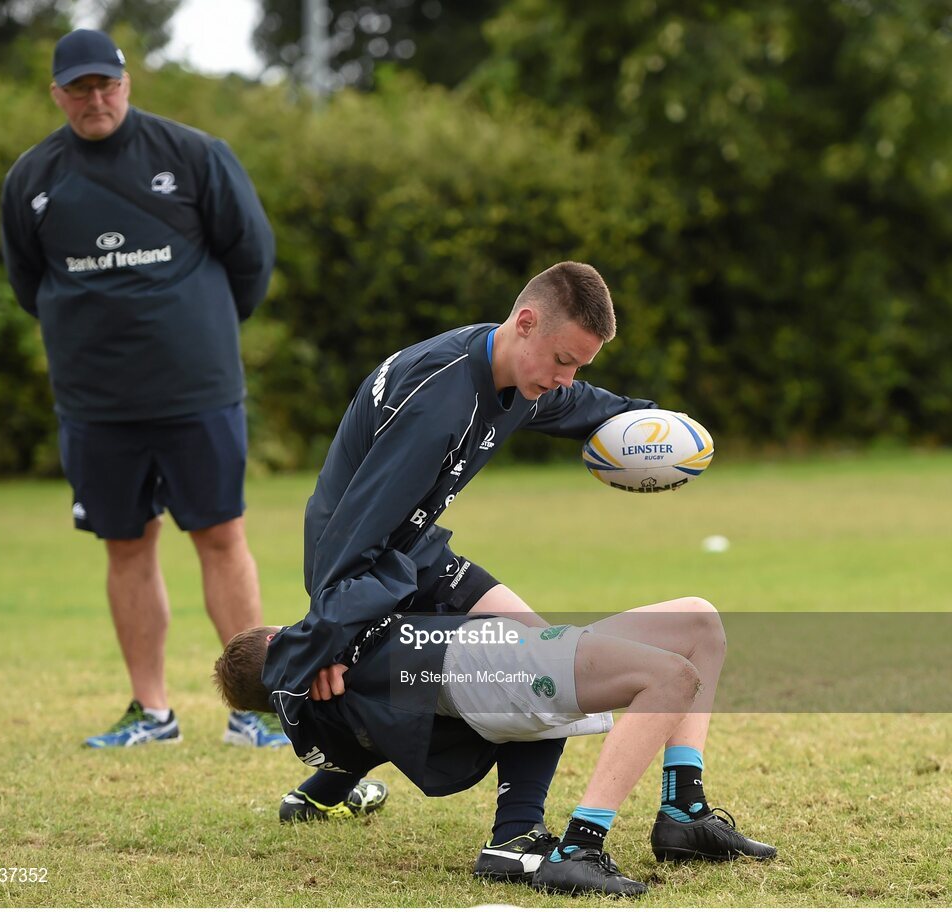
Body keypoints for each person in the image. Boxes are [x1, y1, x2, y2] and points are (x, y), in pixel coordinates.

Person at [257, 262, 771, 878]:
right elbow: (347, 535)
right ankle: (510, 834)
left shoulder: (513, 371)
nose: (566, 378)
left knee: (537, 654)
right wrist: (328, 639)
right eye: (563, 359)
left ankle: (682, 813)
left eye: (579, 364)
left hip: (415, 556)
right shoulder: (437, 403)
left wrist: (653, 427)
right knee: (524, 677)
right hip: (371, 571)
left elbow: (581, 405)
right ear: (525, 323)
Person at [0, 28, 287, 749]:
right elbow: (30, 286)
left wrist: (199, 330)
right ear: (57, 93)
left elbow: (251, 259)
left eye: (107, 85)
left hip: (198, 391)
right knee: (125, 545)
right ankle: (151, 712)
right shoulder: (32, 179)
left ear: (127, 84)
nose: (95, 99)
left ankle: (253, 710)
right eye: (79, 88)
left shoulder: (194, 156)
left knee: (221, 536)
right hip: (97, 402)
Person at [215, 600, 777, 896]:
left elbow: (332, 773)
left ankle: (683, 810)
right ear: (283, 658)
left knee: (698, 621)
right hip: (485, 663)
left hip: (500, 659)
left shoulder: (331, 717)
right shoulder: (336, 670)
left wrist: (312, 799)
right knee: (670, 676)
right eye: (286, 640)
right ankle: (580, 847)